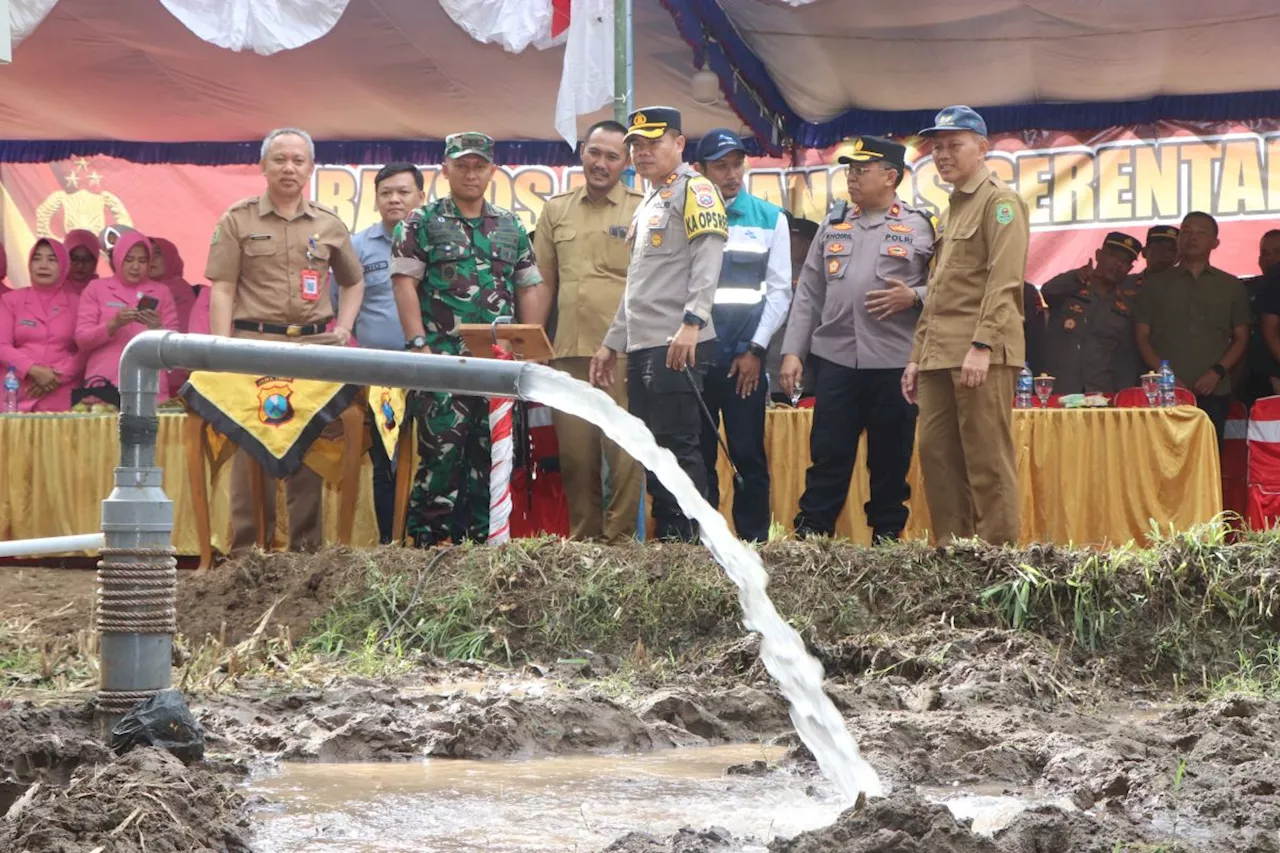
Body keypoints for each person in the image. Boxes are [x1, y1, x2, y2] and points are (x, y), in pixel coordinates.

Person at [205, 127, 367, 555]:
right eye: (280, 159)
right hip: (252, 347)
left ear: (311, 168)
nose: (289, 168)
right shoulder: (237, 219)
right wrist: (220, 353)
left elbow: (353, 282)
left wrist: (344, 328)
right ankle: (246, 554)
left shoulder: (329, 224)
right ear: (263, 166)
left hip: (313, 351)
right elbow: (222, 288)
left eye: (298, 160)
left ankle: (305, 554)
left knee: (309, 448)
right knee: (249, 448)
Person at [391, 132, 546, 548]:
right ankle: (429, 545)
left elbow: (529, 285)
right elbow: (405, 283)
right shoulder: (421, 222)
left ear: (492, 172)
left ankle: (483, 547)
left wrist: (528, 350)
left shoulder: (511, 226)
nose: (471, 174)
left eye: (479, 167)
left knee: (493, 459)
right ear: (445, 170)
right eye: (462, 166)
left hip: (497, 369)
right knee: (441, 457)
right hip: (444, 363)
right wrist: (417, 343)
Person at [780, 136, 934, 543]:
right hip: (836, 361)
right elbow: (809, 292)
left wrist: (914, 296)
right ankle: (812, 540)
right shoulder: (834, 224)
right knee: (828, 455)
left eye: (861, 170)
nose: (851, 178)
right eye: (849, 170)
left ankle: (887, 540)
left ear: (890, 177)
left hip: (894, 364)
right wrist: (794, 351)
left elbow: (947, 289)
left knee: (890, 459)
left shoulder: (920, 225)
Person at [588, 106, 727, 542]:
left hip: (678, 339)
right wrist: (612, 342)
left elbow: (708, 263)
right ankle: (670, 534)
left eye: (653, 143)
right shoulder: (648, 199)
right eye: (637, 145)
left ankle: (688, 539)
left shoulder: (697, 190)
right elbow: (638, 283)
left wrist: (692, 322)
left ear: (680, 144)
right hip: (644, 343)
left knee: (679, 444)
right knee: (652, 446)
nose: (642, 153)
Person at [901, 105, 1029, 546]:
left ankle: (997, 561)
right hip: (939, 354)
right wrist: (917, 357)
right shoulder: (951, 208)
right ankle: (953, 560)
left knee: (987, 461)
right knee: (937, 458)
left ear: (983, 148)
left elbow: (1005, 280)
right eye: (937, 147)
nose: (943, 155)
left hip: (979, 352)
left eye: (954, 145)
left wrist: (983, 343)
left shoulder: (1001, 202)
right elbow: (935, 290)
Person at [533, 120, 644, 544]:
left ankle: (619, 544)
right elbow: (544, 280)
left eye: (612, 156)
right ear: (582, 151)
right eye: (594, 152)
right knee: (576, 457)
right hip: (568, 353)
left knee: (625, 453)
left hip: (620, 352)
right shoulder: (555, 209)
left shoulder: (642, 207)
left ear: (626, 161)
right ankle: (584, 543)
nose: (601, 163)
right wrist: (536, 341)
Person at [692, 129, 790, 542]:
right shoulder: (685, 215)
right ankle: (703, 543)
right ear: (701, 171)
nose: (732, 174)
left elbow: (781, 290)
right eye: (721, 166)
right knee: (697, 455)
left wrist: (756, 349)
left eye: (737, 164)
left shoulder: (771, 218)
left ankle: (754, 546)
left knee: (748, 455)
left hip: (744, 363)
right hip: (695, 359)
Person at [336, 162, 423, 544]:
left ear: (420, 197)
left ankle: (426, 541)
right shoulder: (357, 246)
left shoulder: (432, 240)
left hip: (428, 368)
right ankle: (391, 544)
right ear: (375, 199)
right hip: (380, 373)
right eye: (386, 192)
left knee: (432, 459)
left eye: (403, 192)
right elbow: (339, 302)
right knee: (385, 461)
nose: (395, 199)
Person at [1135, 211, 1249, 443]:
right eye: (1186, 231)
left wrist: (1217, 372)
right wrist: (1167, 377)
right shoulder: (1155, 284)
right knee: (1161, 461)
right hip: (1164, 391)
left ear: (1215, 242)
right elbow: (1141, 337)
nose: (1192, 238)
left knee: (1208, 460)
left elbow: (1241, 337)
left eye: (1201, 233)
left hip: (1213, 389)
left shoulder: (1231, 286)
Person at [75, 232, 179, 399]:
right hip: (104, 382)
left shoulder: (161, 292)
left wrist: (158, 328)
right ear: (117, 258)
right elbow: (82, 340)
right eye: (129, 260)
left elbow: (175, 352)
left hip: (149, 384)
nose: (136, 267)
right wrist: (114, 324)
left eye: (142, 261)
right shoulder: (96, 288)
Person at [1040, 232, 1144, 394]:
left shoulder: (1125, 307)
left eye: (1125, 261)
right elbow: (1047, 291)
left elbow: (1125, 360)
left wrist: (1123, 396)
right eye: (1113, 256)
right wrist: (1075, 277)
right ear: (1098, 255)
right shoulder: (1071, 287)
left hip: (1099, 393)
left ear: (1130, 269)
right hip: (1059, 390)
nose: (1118, 264)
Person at [0, 238, 84, 412]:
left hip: (62, 393)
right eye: (37, 259)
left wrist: (56, 378)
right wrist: (34, 370)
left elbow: (85, 349)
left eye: (52, 259)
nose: (43, 265)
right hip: (17, 391)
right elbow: (2, 345)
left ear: (63, 265)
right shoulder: (11, 300)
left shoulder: (79, 303)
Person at [767, 215, 818, 403]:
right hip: (768, 367)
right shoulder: (772, 270)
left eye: (791, 239)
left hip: (804, 370)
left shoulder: (811, 276)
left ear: (808, 243)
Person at [1238, 229, 1280, 403]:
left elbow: (1271, 331)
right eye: (1265, 253)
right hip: (1253, 380)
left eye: (1278, 252)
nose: (1270, 259)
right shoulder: (1246, 289)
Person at [149, 238, 197, 333]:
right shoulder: (135, 291)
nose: (151, 259)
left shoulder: (198, 293)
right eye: (147, 254)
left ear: (170, 256)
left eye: (157, 253)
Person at [1125, 225, 1178, 290]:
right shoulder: (1125, 284)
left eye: (1172, 250)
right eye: (1160, 248)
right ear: (1144, 252)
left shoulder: (1187, 288)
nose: (1166, 254)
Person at [64, 229, 102, 295]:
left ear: (96, 261)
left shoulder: (104, 292)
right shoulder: (52, 289)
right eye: (74, 258)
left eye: (87, 259)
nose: (80, 265)